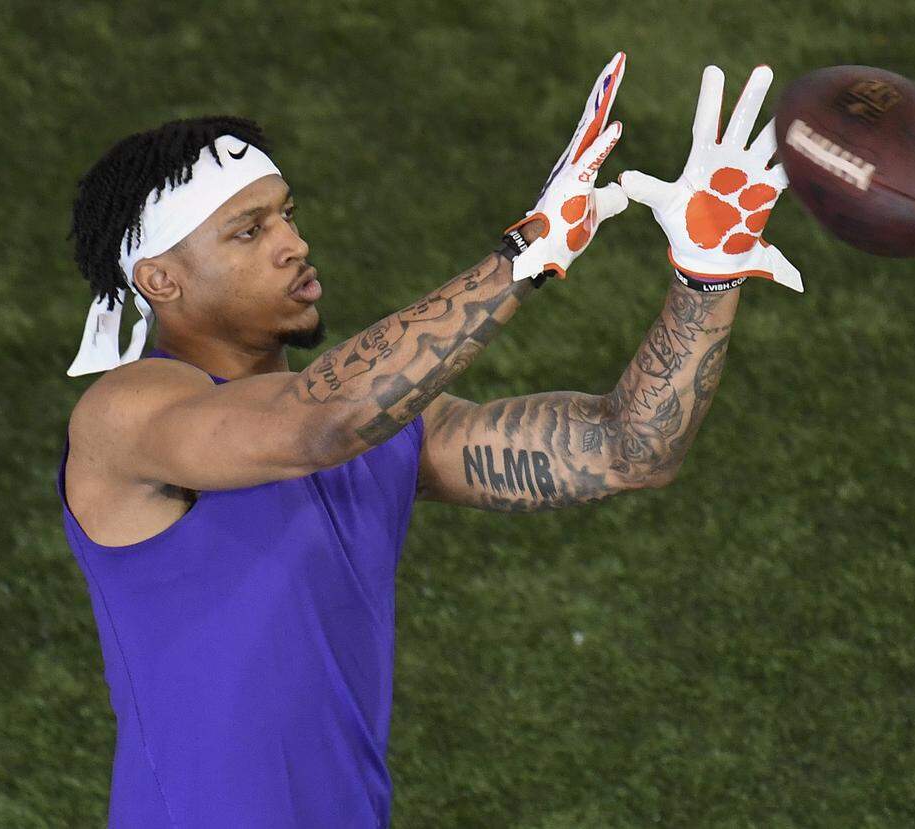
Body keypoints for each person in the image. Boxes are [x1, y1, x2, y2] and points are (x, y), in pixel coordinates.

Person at [56, 52, 801, 828]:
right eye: (250, 231)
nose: (293, 244)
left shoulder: (389, 431)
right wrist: (527, 252)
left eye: (287, 213)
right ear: (160, 281)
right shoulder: (127, 414)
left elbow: (628, 448)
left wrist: (707, 278)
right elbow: (319, 422)